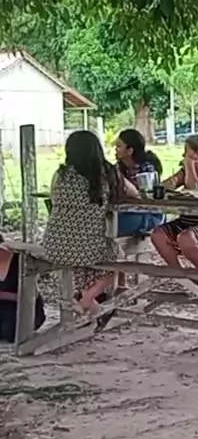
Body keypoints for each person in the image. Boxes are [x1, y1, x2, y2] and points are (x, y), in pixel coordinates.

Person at [43, 130, 138, 315]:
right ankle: (87, 298)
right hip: (86, 247)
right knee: (117, 256)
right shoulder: (106, 173)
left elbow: (54, 200)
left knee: (81, 256)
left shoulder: (60, 174)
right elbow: (134, 193)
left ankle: (91, 307)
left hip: (53, 244)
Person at [151, 133, 198, 275]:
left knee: (186, 238)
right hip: (186, 220)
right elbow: (166, 185)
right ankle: (181, 274)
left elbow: (196, 189)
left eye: (186, 151)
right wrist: (171, 183)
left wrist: (189, 166)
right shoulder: (185, 171)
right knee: (158, 235)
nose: (183, 155)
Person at [115, 129, 165, 236]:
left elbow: (147, 197)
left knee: (114, 226)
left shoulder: (147, 169)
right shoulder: (118, 168)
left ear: (130, 150)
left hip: (148, 214)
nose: (116, 149)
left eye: (119, 146)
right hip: (126, 211)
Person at [0, 238, 45, 342]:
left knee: (10, 332)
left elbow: (32, 296)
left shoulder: (21, 262)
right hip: (3, 308)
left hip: (24, 307)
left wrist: (3, 295)